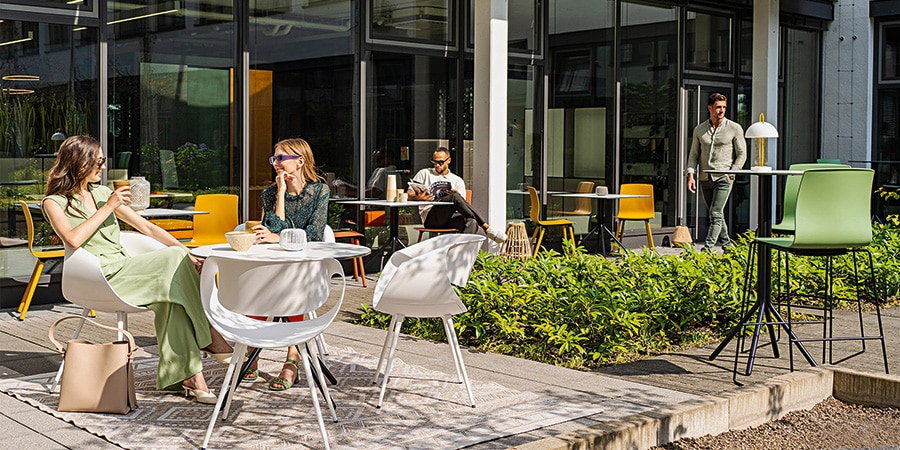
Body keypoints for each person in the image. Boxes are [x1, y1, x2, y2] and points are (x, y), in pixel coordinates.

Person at [42, 135, 233, 405]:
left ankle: (191, 378)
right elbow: (72, 239)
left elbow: (147, 228)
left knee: (172, 301)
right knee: (171, 262)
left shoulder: (101, 192)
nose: (103, 167)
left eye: (103, 161)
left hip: (125, 267)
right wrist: (108, 207)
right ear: (79, 163)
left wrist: (188, 253)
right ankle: (211, 335)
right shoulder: (55, 202)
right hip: (99, 275)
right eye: (98, 162)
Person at [245, 137, 330, 390]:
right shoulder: (270, 193)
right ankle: (252, 349)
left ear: (300, 161)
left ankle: (292, 356)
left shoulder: (319, 192)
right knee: (258, 285)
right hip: (274, 263)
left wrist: (279, 237)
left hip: (305, 266)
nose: (276, 163)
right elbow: (270, 228)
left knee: (290, 283)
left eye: (282, 158)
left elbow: (314, 233)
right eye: (274, 159)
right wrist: (281, 193)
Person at [686, 93, 747, 252]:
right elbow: (694, 154)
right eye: (718, 107)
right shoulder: (700, 129)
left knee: (715, 212)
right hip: (705, 178)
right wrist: (690, 175)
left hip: (724, 177)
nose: (721, 110)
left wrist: (732, 172)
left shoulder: (734, 128)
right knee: (717, 215)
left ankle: (707, 248)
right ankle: (728, 247)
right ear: (710, 108)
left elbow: (742, 153)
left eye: (724, 107)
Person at [407, 147, 507, 243]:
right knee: (454, 197)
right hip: (431, 218)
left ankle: (462, 255)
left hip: (451, 218)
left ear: (449, 160)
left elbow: (464, 208)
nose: (437, 165)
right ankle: (486, 227)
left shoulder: (457, 180)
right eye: (434, 162)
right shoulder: (424, 173)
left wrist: (457, 196)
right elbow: (409, 193)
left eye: (440, 162)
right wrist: (418, 198)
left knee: (471, 221)